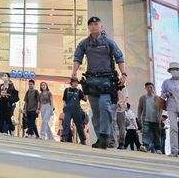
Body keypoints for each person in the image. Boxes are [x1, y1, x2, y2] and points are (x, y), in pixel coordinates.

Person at [72, 16, 126, 149]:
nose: (93, 26)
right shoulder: (84, 43)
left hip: (106, 81)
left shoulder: (109, 42)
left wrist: (123, 74)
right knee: (95, 111)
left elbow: (119, 58)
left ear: (101, 27)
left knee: (104, 107)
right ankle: (100, 139)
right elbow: (77, 57)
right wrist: (74, 71)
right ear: (89, 27)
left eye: (96, 24)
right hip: (91, 81)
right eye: (91, 24)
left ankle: (105, 136)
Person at [138, 82, 163, 154]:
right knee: (145, 133)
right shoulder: (143, 98)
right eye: (148, 87)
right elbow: (140, 108)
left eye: (151, 87)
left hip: (156, 119)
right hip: (146, 119)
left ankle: (158, 148)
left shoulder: (157, 98)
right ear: (146, 88)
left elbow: (161, 108)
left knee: (156, 134)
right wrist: (139, 116)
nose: (149, 89)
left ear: (153, 88)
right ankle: (145, 146)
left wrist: (159, 116)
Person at [161, 61, 179, 157]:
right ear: (170, 71)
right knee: (173, 128)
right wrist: (167, 94)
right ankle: (174, 151)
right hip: (171, 107)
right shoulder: (166, 82)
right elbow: (162, 94)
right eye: (173, 70)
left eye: (176, 69)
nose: (175, 71)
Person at [61, 77, 87, 145]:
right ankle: (64, 138)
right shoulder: (66, 90)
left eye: (77, 82)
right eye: (74, 82)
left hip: (77, 110)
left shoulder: (79, 91)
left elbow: (85, 99)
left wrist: (85, 89)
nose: (76, 84)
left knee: (79, 125)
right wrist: (64, 107)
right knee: (66, 123)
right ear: (71, 82)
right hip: (68, 109)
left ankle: (83, 140)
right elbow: (64, 100)